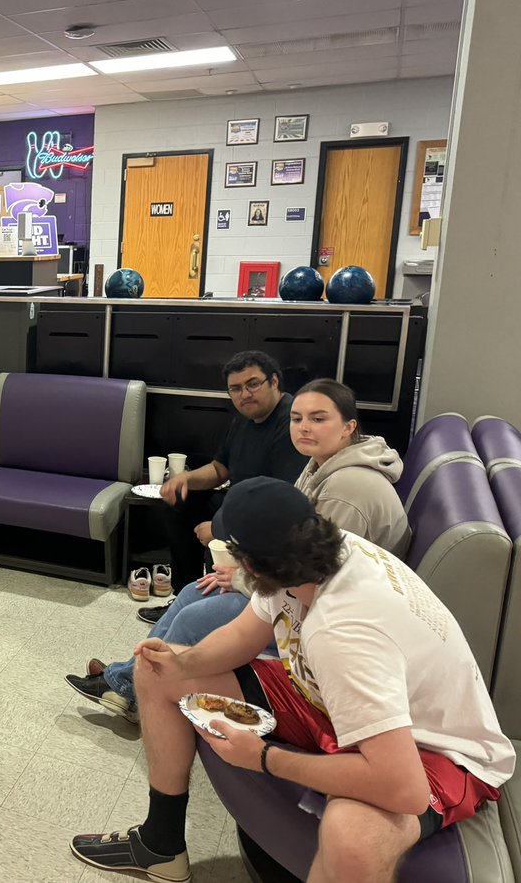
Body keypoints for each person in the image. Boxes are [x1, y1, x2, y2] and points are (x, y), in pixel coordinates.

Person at [69, 477, 514, 882]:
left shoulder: (342, 630)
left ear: (250, 563)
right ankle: (160, 846)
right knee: (158, 672)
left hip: (434, 750)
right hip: (330, 702)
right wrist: (183, 664)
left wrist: (263, 758)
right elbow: (245, 636)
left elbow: (404, 788)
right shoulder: (312, 556)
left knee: (353, 836)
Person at [66, 378, 410, 724]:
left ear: (349, 426)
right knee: (191, 592)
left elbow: (318, 577)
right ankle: (127, 680)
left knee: (194, 617)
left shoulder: (347, 488)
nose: (304, 427)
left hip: (327, 617)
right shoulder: (322, 464)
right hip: (301, 590)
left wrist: (246, 578)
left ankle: (134, 689)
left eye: (318, 419)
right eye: (298, 418)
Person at [147, 350, 306, 622]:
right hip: (238, 503)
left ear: (275, 382)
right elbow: (221, 469)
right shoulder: (244, 418)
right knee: (178, 503)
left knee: (215, 527)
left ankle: (215, 607)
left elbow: (281, 503)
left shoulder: (290, 422)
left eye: (253, 384)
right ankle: (186, 594)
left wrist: (219, 530)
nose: (244, 394)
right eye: (235, 388)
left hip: (265, 519)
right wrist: (184, 479)